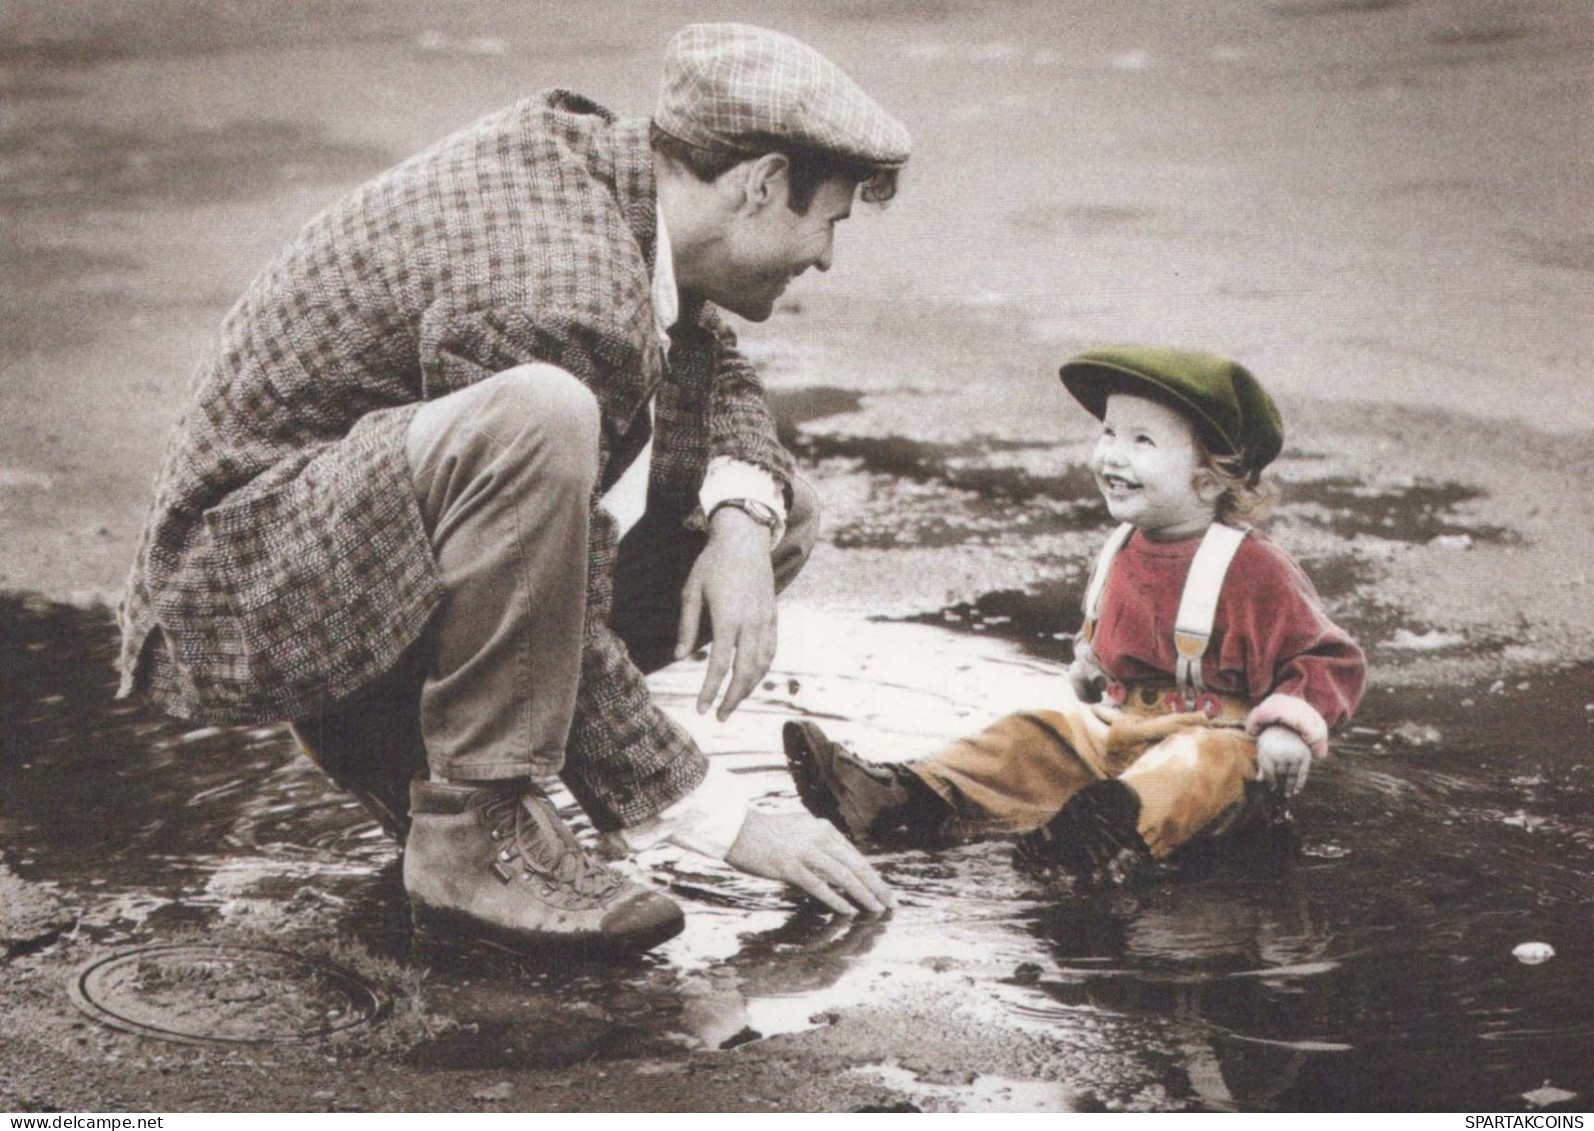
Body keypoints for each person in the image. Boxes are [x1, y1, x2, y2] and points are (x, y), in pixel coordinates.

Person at [116, 23, 908, 954]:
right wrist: (726, 819)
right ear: (762, 183)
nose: (825, 257)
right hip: (243, 579)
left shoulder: (624, 186)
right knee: (543, 414)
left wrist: (740, 520)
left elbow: (698, 342)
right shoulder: (556, 283)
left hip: (343, 541)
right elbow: (559, 598)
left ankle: (419, 768)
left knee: (776, 507)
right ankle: (471, 827)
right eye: (831, 220)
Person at [784, 346, 1366, 882]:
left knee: (1199, 764)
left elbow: (1327, 659)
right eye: (1109, 432)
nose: (1112, 454)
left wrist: (1288, 729)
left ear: (1211, 475)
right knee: (1031, 735)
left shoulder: (1252, 568)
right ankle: (907, 796)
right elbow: (1118, 630)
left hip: (1221, 746)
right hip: (1121, 732)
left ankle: (1104, 834)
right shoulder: (1122, 545)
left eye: (1142, 441)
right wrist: (1094, 663)